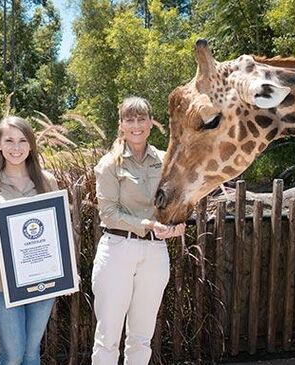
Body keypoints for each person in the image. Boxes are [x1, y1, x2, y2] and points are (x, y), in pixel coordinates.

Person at [91, 96, 185, 364]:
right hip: (118, 251)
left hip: (156, 252)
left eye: (141, 118)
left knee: (142, 337)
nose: (136, 125)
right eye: (129, 119)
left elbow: (176, 203)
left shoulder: (166, 160)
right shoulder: (110, 164)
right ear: (120, 125)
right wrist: (145, 225)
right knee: (108, 336)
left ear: (151, 123)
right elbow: (108, 214)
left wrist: (177, 225)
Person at [0, 116, 59, 365]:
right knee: (13, 353)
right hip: (1, 282)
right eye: (9, 141)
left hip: (42, 281)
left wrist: (66, 270)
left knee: (31, 351)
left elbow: (60, 230)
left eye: (22, 141)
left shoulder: (46, 181)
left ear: (31, 145)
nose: (16, 148)